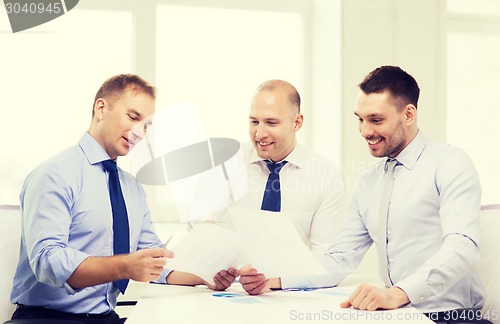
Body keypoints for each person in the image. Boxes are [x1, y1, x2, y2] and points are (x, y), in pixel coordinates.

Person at [240, 66, 489, 322]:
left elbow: (463, 247)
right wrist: (274, 280)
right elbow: (339, 260)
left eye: (376, 120)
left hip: (453, 317)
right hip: (398, 315)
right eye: (360, 119)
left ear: (408, 115)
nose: (365, 131)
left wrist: (399, 293)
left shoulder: (450, 163)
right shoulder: (368, 182)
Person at [10, 74, 236, 324]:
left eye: (147, 125)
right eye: (133, 117)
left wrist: (205, 275)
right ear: (101, 108)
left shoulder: (132, 188)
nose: (140, 132)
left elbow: (152, 258)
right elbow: (48, 262)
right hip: (47, 319)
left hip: (105, 318)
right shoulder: (54, 175)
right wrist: (125, 266)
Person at [214, 79, 343, 294]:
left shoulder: (326, 175)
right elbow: (203, 231)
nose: (259, 134)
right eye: (254, 122)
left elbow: (329, 258)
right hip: (228, 292)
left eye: (271, 123)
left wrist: (274, 281)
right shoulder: (226, 164)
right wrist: (215, 270)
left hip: (287, 293)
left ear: (297, 122)